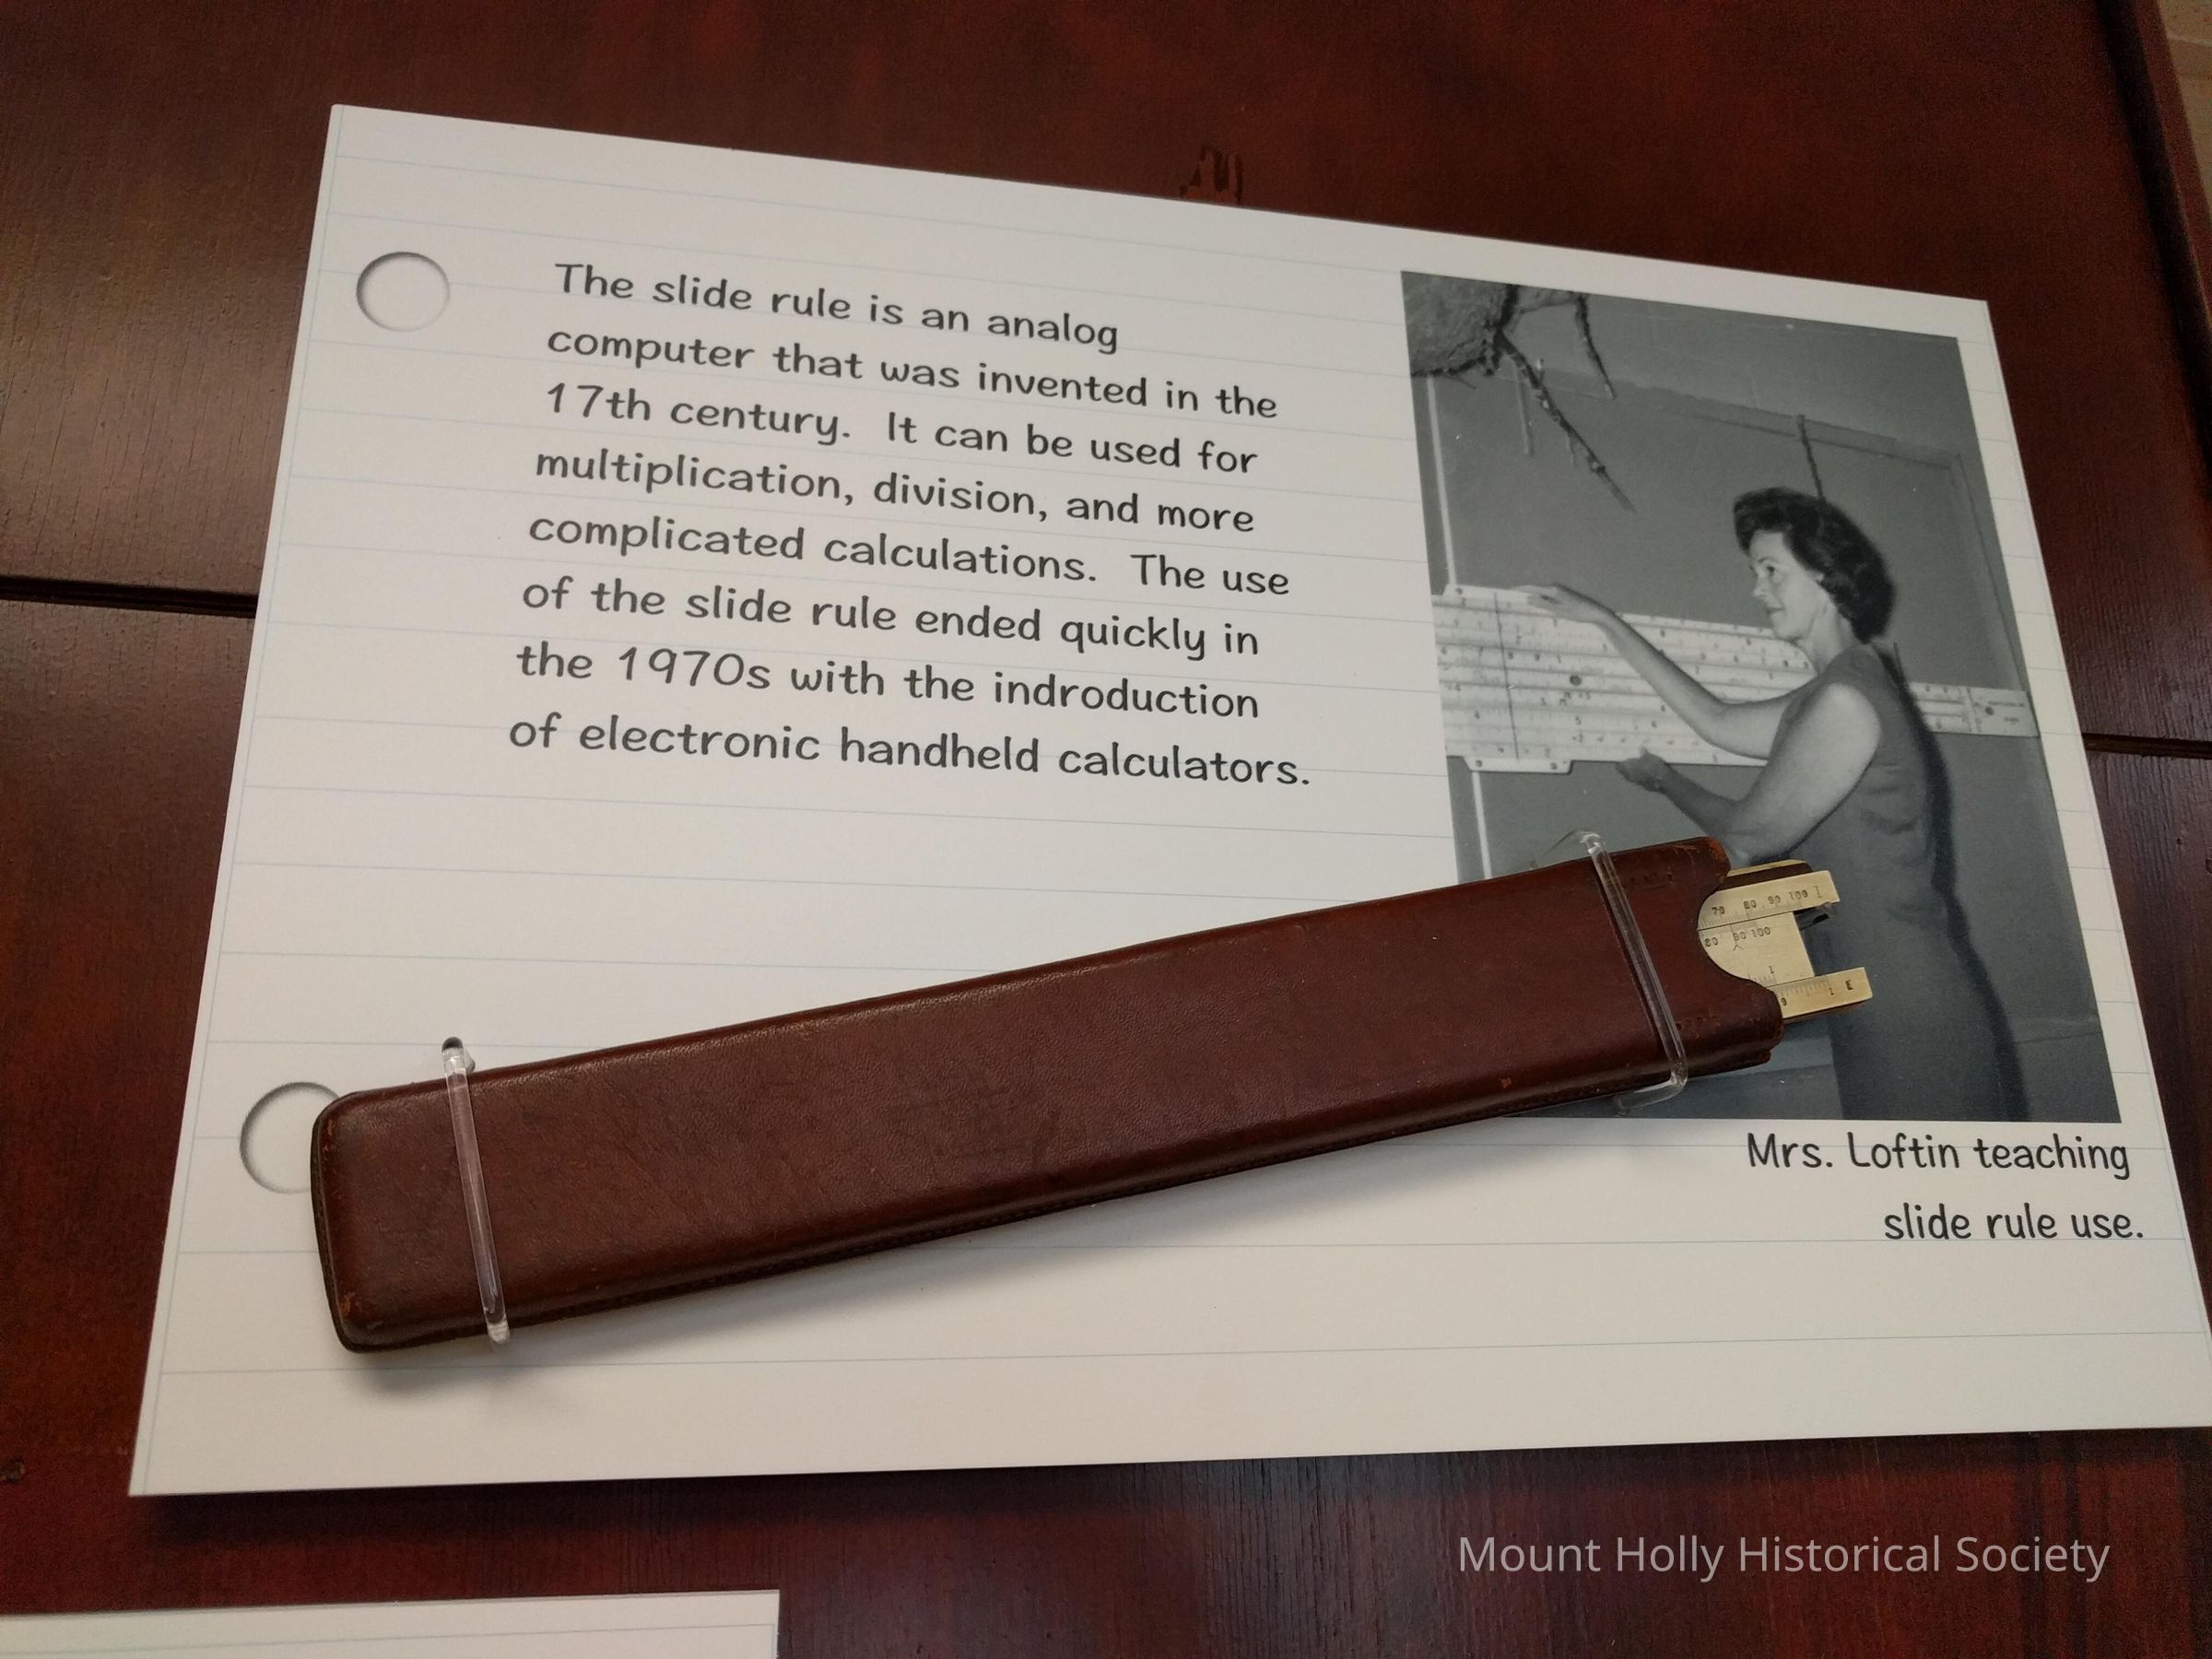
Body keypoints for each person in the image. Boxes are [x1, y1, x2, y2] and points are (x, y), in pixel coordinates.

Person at [1524, 486, 2018, 1121]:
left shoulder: (1845, 702)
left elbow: (1747, 838)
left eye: (1770, 570)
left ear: (1825, 574)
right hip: (1866, 988)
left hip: (1907, 1001)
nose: (1758, 590)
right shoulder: (1832, 691)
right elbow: (1718, 721)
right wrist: (1605, 622)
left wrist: (1585, 925)